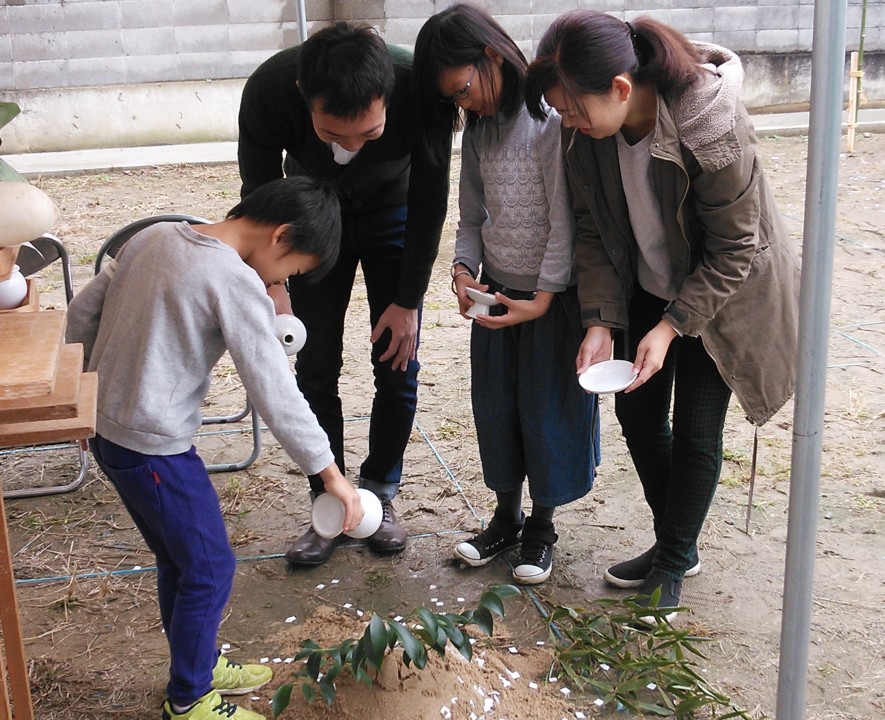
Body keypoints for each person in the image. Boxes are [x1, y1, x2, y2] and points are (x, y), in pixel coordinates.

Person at [524, 11, 800, 617]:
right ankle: (678, 542)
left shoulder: (709, 121)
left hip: (722, 295)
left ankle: (673, 559)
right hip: (648, 280)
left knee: (699, 429)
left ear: (621, 89)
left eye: (572, 109)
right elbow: (594, 232)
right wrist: (600, 318)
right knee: (638, 413)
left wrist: (673, 326)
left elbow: (734, 248)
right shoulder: (585, 134)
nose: (565, 122)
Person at [65, 177, 363, 720]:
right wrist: (330, 473)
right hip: (153, 446)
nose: (282, 283)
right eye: (292, 270)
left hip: (111, 432)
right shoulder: (233, 280)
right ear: (280, 237)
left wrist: (78, 393)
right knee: (209, 566)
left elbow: (83, 312)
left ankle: (197, 663)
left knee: (179, 560)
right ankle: (190, 699)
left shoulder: (155, 235)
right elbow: (273, 388)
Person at [237, 21, 451, 567]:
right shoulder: (269, 89)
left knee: (397, 362)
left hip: (395, 213)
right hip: (309, 217)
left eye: (369, 134)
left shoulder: (418, 86)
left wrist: (408, 300)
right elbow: (259, 196)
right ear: (303, 98)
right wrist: (273, 283)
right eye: (334, 135)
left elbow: (430, 197)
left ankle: (379, 490)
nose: (350, 148)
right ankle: (328, 501)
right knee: (315, 364)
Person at [414, 4, 600, 585]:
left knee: (547, 411)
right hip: (495, 294)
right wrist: (465, 266)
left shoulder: (548, 121)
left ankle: (542, 525)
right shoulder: (480, 129)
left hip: (549, 300)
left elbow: (562, 223)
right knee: (496, 408)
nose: (462, 104)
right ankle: (505, 516)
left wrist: (543, 297)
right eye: (453, 100)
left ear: (491, 56)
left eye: (463, 89)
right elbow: (473, 213)